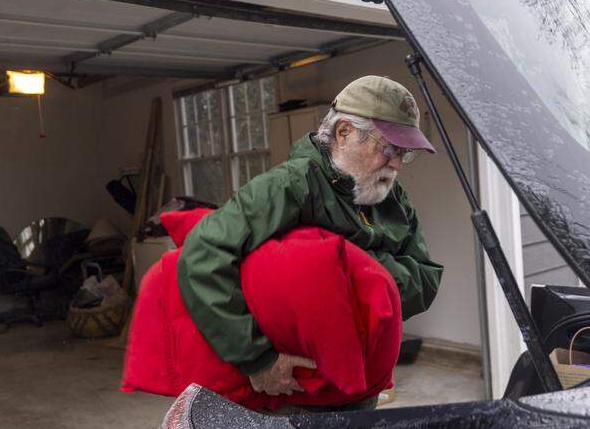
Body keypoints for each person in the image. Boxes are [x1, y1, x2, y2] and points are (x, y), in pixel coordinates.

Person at [177, 75, 444, 399]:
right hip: (300, 393)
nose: (397, 164)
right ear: (343, 132)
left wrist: (361, 276)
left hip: (361, 383)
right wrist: (255, 357)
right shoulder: (291, 185)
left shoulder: (393, 197)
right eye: (388, 147)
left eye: (405, 152)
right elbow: (202, 255)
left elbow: (427, 278)